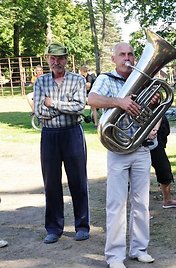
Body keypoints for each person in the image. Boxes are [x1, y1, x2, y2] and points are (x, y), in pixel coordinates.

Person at [88, 42, 155, 267]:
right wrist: (120, 102)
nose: (127, 58)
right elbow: (93, 99)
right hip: (117, 149)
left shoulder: (144, 79)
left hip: (141, 147)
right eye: (122, 54)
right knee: (116, 204)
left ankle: (139, 249)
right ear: (114, 58)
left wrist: (152, 104)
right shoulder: (106, 79)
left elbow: (151, 111)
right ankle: (115, 256)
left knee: (141, 202)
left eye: (130, 54)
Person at [33, 42, 90, 244]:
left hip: (72, 132)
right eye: (52, 58)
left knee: (78, 180)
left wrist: (54, 104)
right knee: (51, 183)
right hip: (49, 135)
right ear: (48, 59)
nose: (56, 62)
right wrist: (64, 107)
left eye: (60, 58)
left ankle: (82, 226)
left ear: (66, 59)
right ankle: (54, 229)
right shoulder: (40, 82)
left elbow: (79, 107)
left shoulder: (77, 80)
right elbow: (39, 111)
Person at [149, 116, 176, 209]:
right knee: (138, 174)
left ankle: (167, 200)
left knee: (164, 168)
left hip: (153, 135)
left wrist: (155, 129)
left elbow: (159, 111)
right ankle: (141, 210)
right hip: (134, 135)